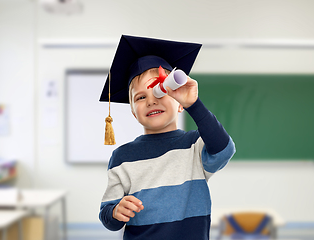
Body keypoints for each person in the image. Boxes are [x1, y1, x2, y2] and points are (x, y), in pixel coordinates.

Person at [99, 35, 236, 240]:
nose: (151, 101)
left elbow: (225, 149)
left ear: (180, 103)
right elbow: (107, 215)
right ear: (134, 112)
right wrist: (116, 211)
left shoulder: (195, 146)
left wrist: (194, 103)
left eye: (160, 92)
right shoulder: (122, 157)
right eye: (141, 97)